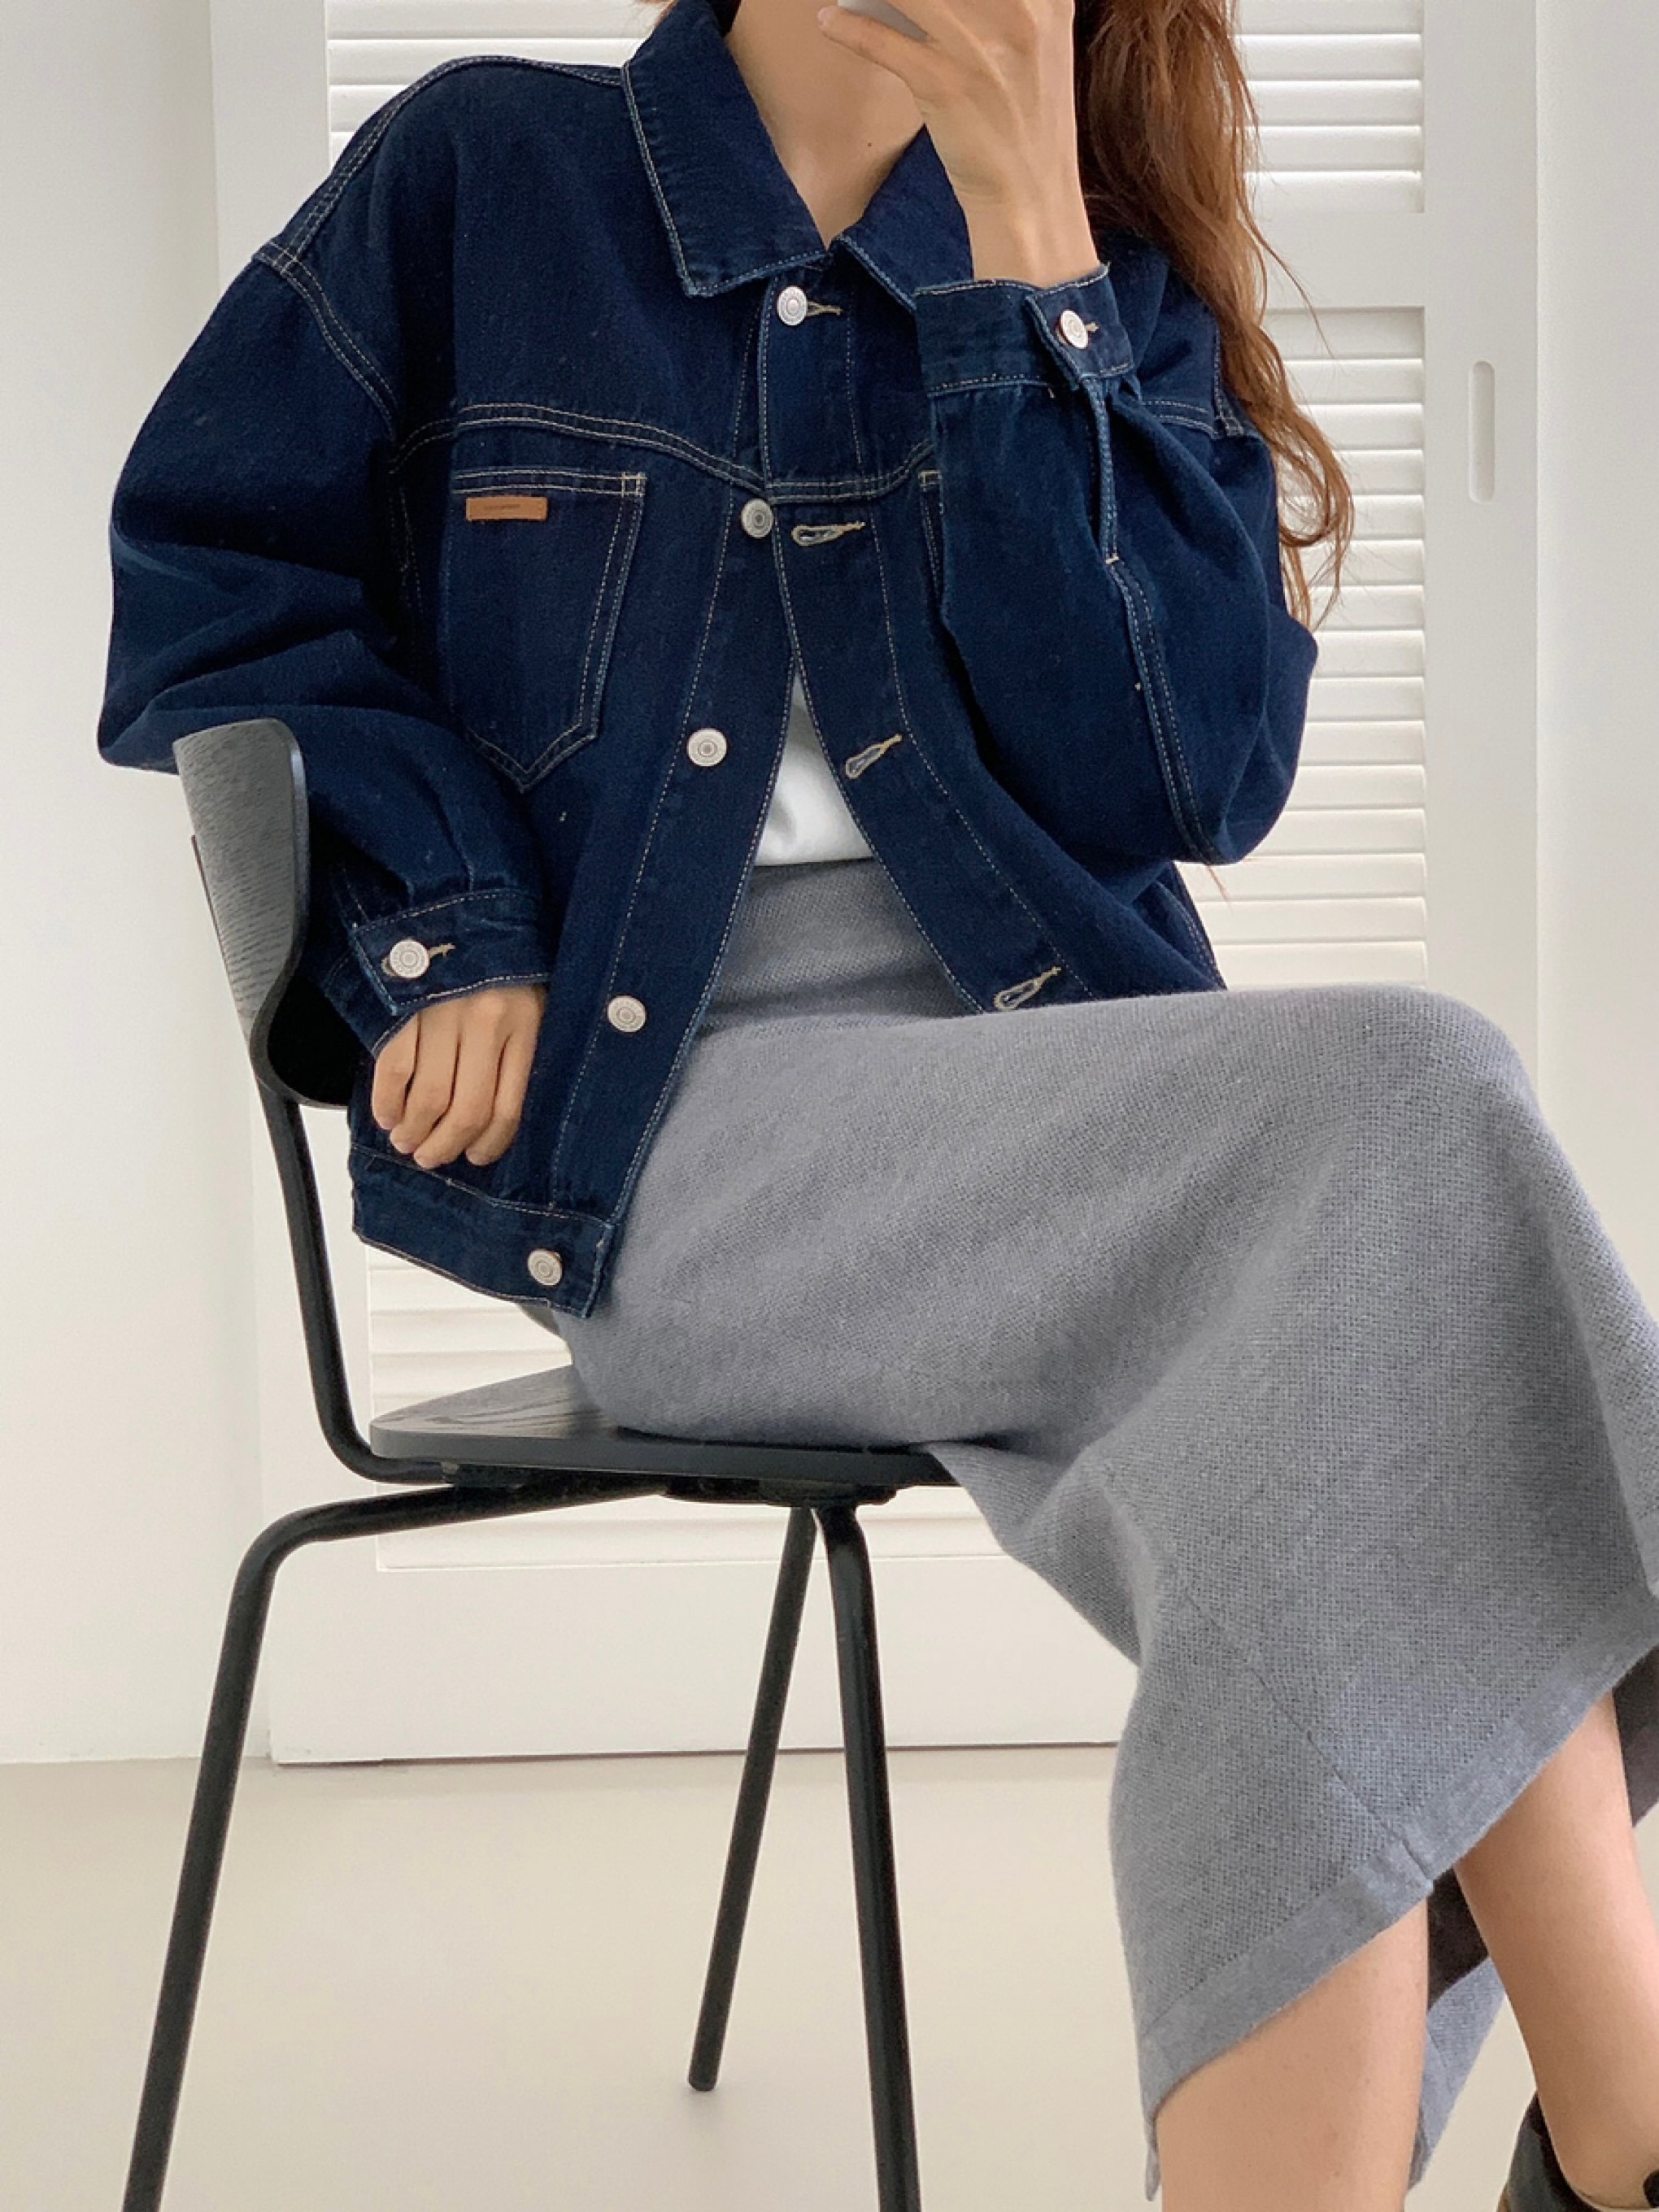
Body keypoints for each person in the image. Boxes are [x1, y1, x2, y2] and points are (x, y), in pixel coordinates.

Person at [96, 0, 1659, 2205]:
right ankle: (1633, 2120)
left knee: (1325, 1449)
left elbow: (1188, 777)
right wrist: (447, 921)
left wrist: (1032, 256)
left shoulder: (1090, 273)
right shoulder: (487, 176)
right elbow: (214, 589)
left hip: (1061, 1121)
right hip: (667, 1132)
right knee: (1410, 1107)